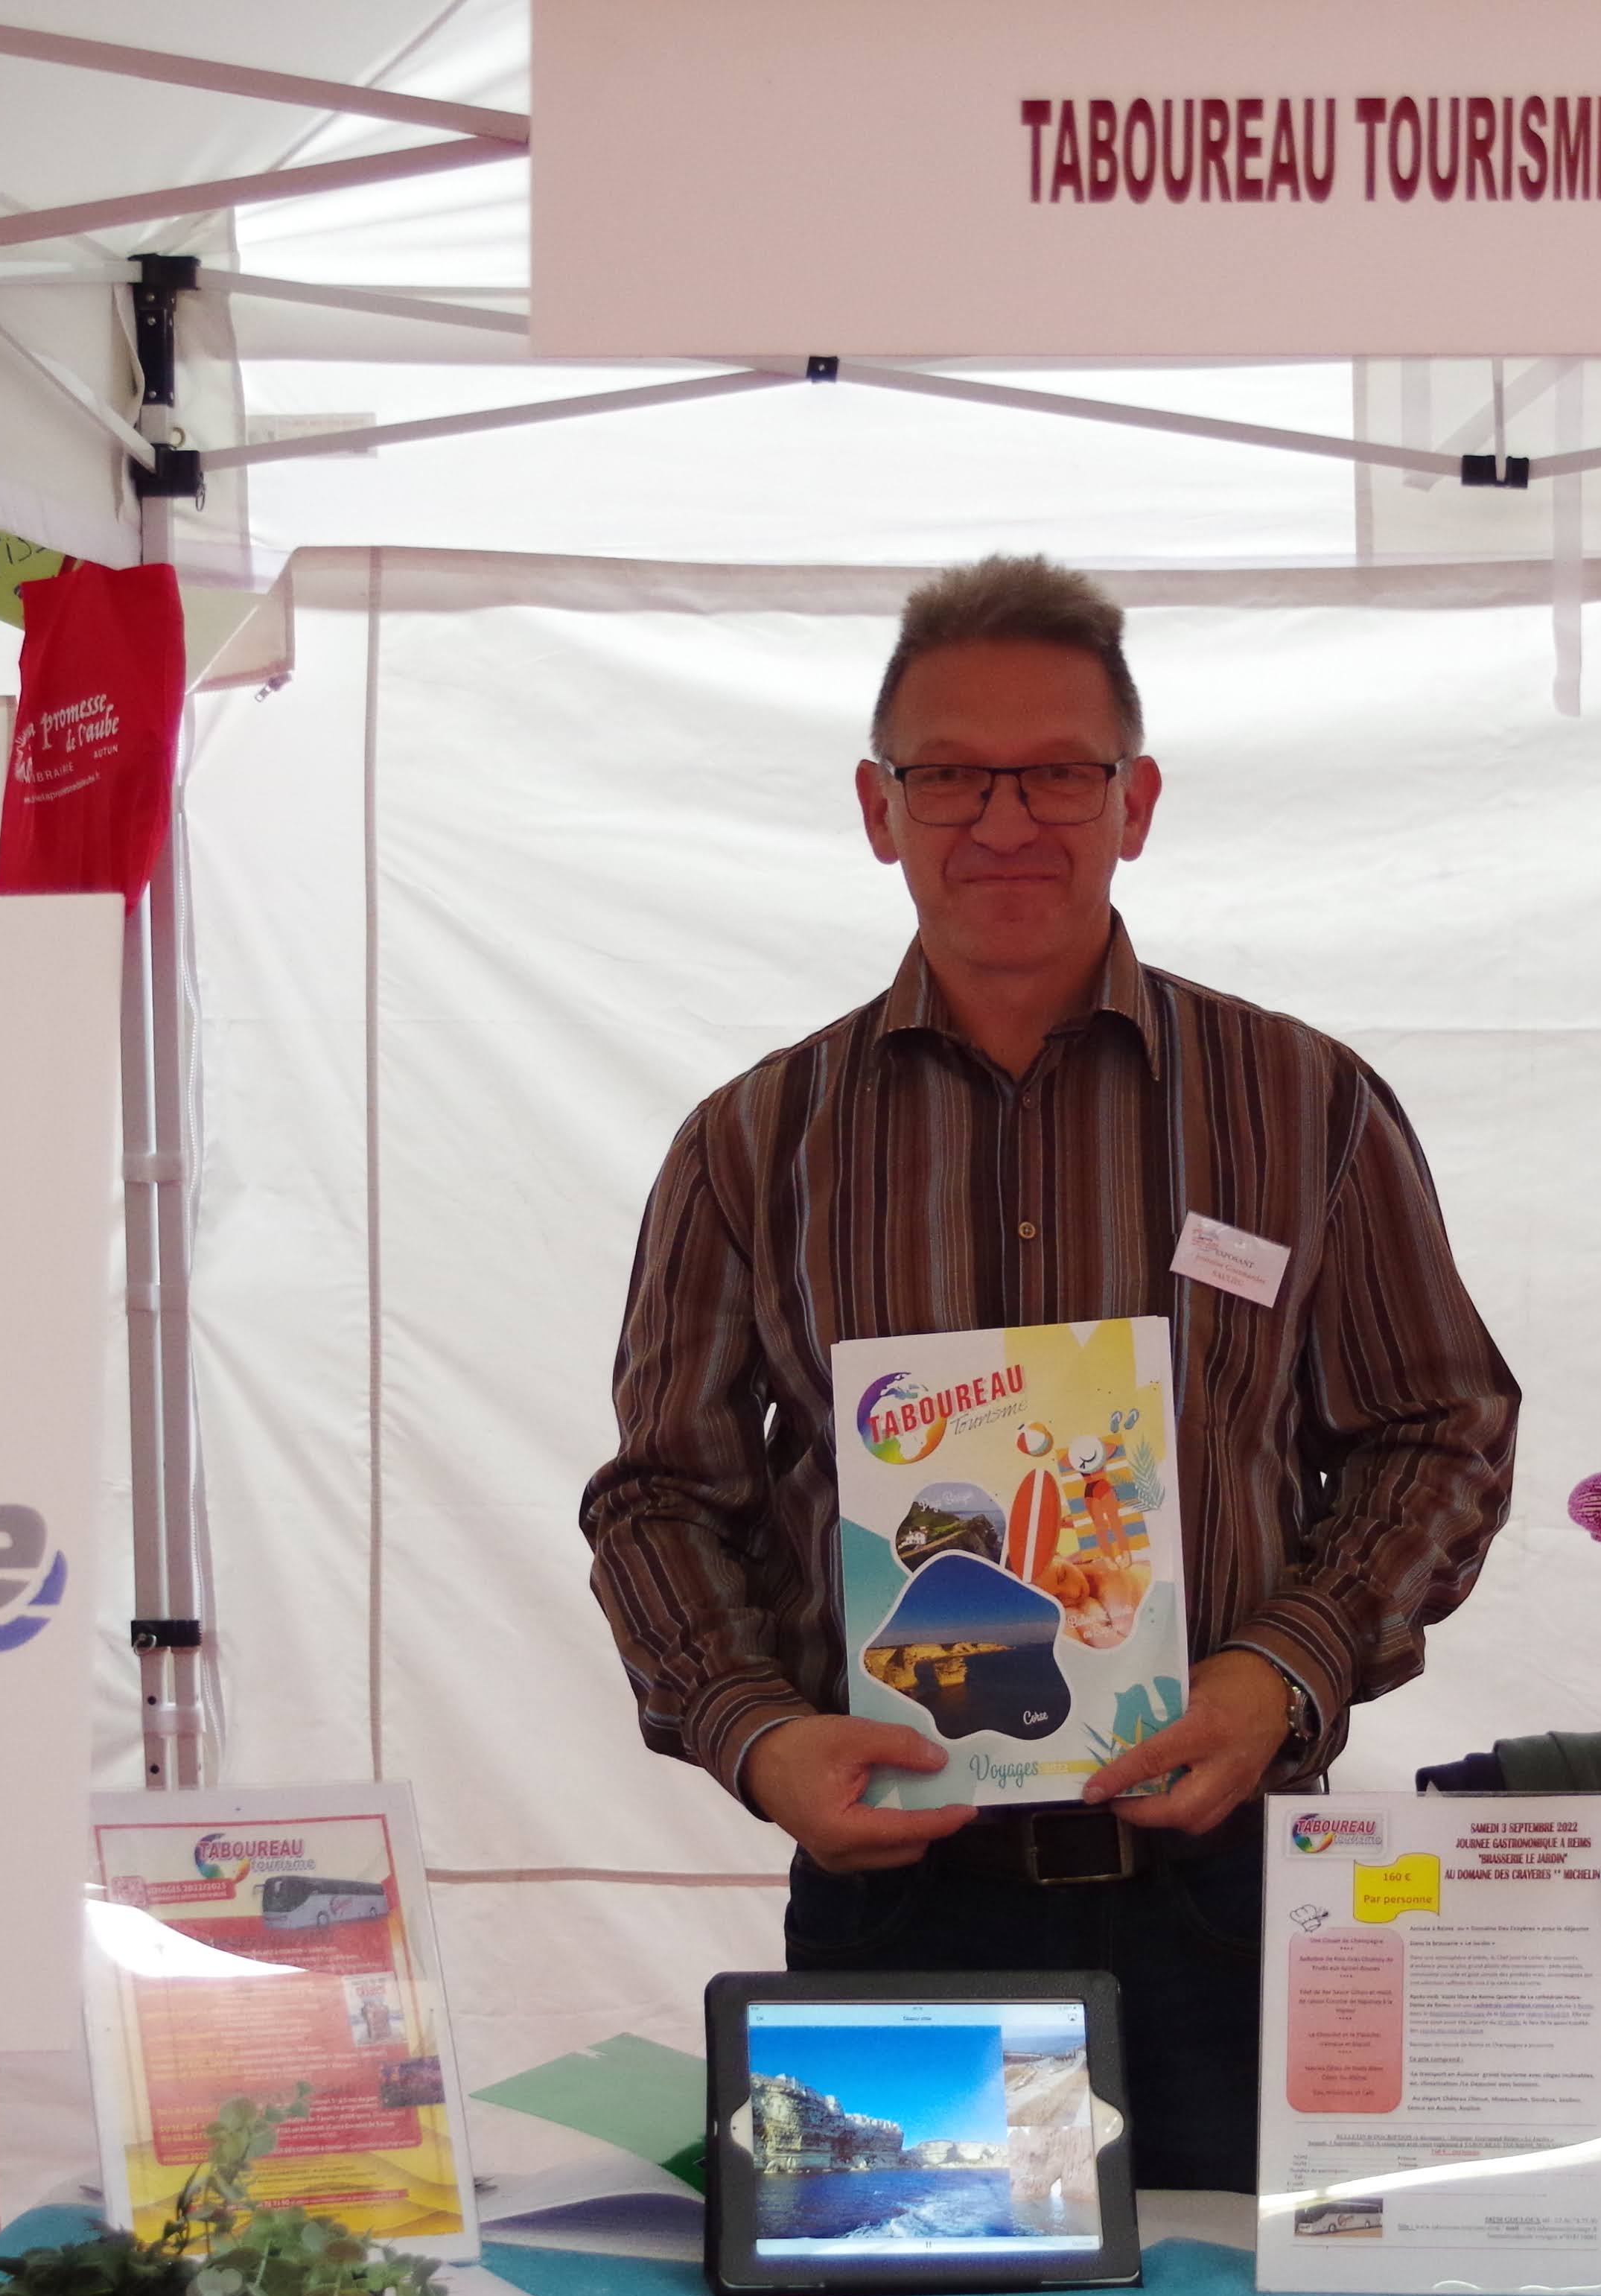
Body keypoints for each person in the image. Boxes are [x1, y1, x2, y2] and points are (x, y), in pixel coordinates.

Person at [582, 554, 1518, 2190]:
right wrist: (758, 1735)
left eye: (1058, 773)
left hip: (1235, 1902)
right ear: (878, 808)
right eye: (949, 774)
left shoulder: (1302, 1104)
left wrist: (1280, 1673)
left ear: (1133, 802)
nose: (1003, 819)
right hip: (900, 1901)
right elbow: (662, 1496)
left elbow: (1440, 1429)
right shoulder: (753, 1141)